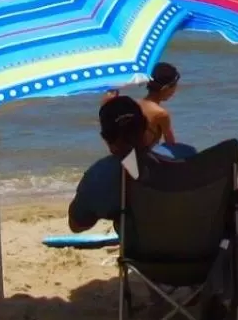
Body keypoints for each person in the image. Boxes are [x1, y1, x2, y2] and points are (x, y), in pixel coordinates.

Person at [68, 95, 166, 232]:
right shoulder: (182, 156)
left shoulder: (99, 176)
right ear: (145, 125)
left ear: (106, 138)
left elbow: (77, 225)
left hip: (138, 251)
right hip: (192, 250)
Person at [139, 63, 181, 149]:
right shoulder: (160, 113)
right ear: (165, 88)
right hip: (144, 158)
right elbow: (170, 143)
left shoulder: (136, 104)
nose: (175, 91)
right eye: (174, 87)